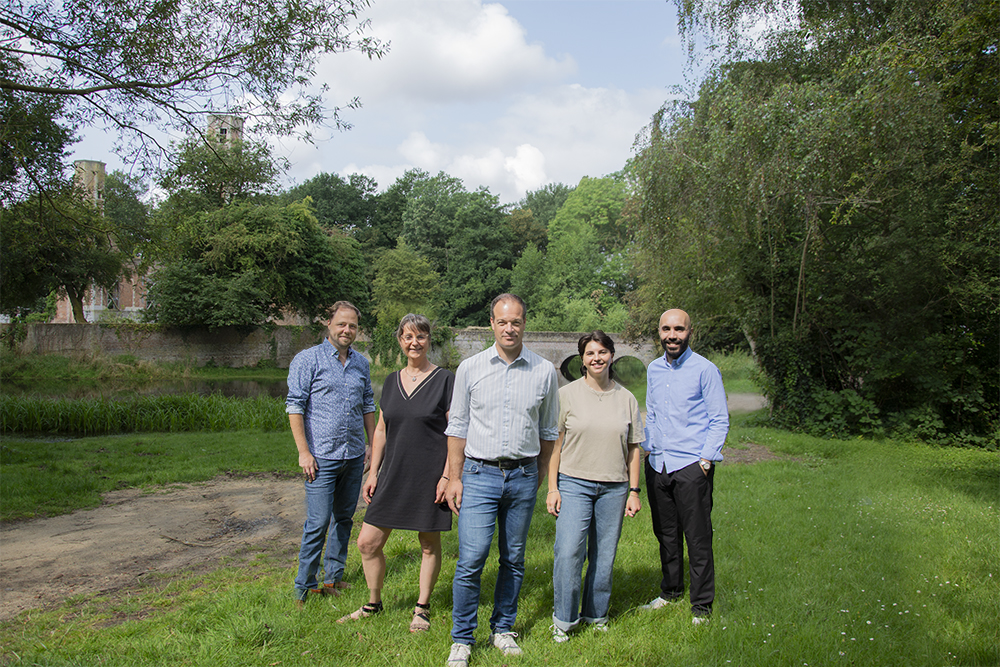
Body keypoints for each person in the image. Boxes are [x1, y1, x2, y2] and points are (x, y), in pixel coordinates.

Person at [444, 294, 560, 667]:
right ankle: (462, 638)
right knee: (472, 558)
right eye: (502, 321)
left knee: (513, 558)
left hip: (524, 475)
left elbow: (548, 431)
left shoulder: (544, 371)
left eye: (517, 321)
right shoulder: (470, 368)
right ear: (491, 324)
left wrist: (541, 474)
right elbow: (457, 426)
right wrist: (454, 476)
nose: (509, 328)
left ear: (525, 324)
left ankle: (503, 629)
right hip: (478, 474)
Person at [337, 314, 455, 632]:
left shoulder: (445, 381)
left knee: (428, 544)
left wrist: (448, 476)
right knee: (367, 543)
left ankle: (422, 607)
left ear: (430, 340)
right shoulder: (390, 381)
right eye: (407, 337)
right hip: (393, 473)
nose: (414, 342)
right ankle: (373, 603)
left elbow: (456, 432)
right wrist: (373, 471)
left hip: (430, 476)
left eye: (420, 336)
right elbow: (381, 430)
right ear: (400, 341)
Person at [545, 330, 643, 642]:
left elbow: (634, 448)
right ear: (582, 359)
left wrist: (634, 491)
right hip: (574, 483)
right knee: (569, 551)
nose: (596, 358)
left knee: (604, 555)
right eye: (590, 353)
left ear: (611, 355)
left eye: (602, 352)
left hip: (614, 488)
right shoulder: (567, 395)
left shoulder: (627, 398)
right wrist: (553, 488)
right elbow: (554, 447)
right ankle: (564, 620)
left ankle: (596, 614)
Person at [640, 308, 729, 623]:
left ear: (690, 331)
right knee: (665, 533)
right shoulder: (653, 369)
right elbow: (651, 412)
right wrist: (648, 450)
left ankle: (702, 605)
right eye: (666, 329)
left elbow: (719, 419)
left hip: (691, 466)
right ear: (659, 331)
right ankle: (671, 591)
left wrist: (705, 460)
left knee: (697, 536)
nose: (672, 335)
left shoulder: (705, 370)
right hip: (658, 464)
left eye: (678, 329)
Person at [286, 301, 376, 608]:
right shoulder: (307, 360)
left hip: (353, 456)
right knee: (317, 522)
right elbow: (295, 406)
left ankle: (332, 577)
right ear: (329, 324)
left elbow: (367, 405)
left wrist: (371, 444)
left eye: (352, 326)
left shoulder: (361, 364)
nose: (347, 330)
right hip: (320, 458)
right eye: (341, 324)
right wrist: (303, 452)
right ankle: (304, 586)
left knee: (344, 519)